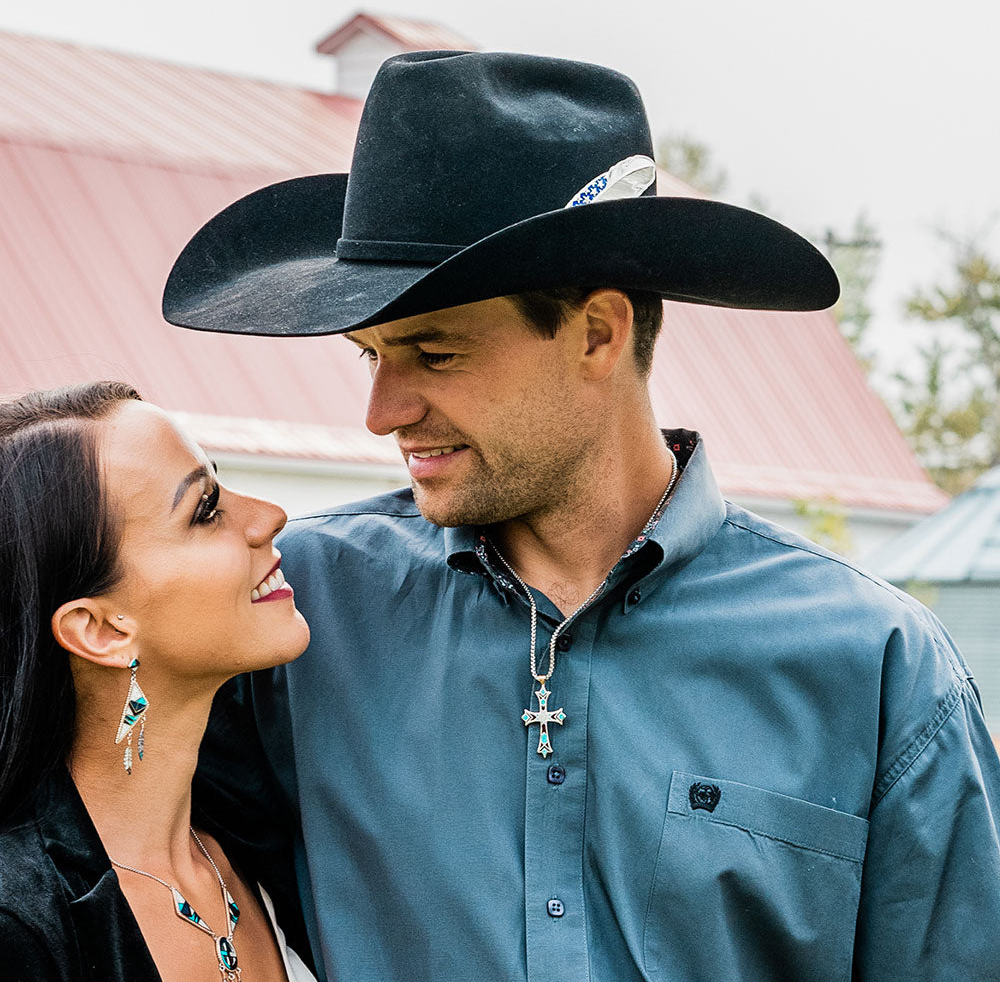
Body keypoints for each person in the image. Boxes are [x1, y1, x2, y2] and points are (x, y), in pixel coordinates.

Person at [165, 52, 1000, 981]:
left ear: (598, 333)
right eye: (373, 357)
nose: (383, 411)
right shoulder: (293, 614)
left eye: (435, 355)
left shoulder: (873, 663)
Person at [0, 382, 318, 982]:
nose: (270, 517)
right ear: (101, 629)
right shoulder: (20, 928)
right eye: (206, 510)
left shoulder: (265, 830)